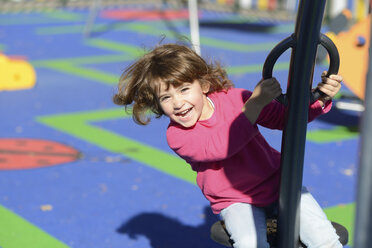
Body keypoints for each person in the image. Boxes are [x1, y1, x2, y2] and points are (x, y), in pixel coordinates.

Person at [113, 43, 343, 248]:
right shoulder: (178, 135)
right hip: (234, 199)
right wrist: (254, 105)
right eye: (166, 97)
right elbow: (221, 146)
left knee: (325, 240)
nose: (178, 103)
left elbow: (285, 119)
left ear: (203, 85)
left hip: (278, 183)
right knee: (250, 243)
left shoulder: (233, 98)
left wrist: (320, 99)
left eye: (184, 90)